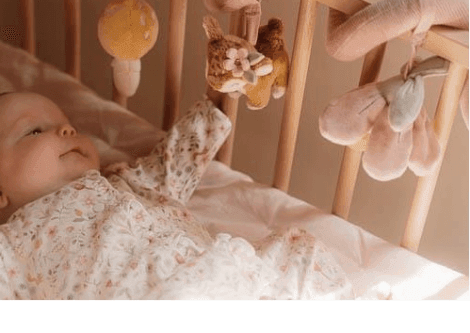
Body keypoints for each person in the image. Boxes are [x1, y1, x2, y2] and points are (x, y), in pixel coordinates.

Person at [0, 91, 351, 300]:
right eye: (34, 130)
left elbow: (175, 161)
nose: (66, 129)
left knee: (299, 254)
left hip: (217, 279)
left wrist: (220, 96)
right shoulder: (11, 243)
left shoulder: (126, 182)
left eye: (69, 124)